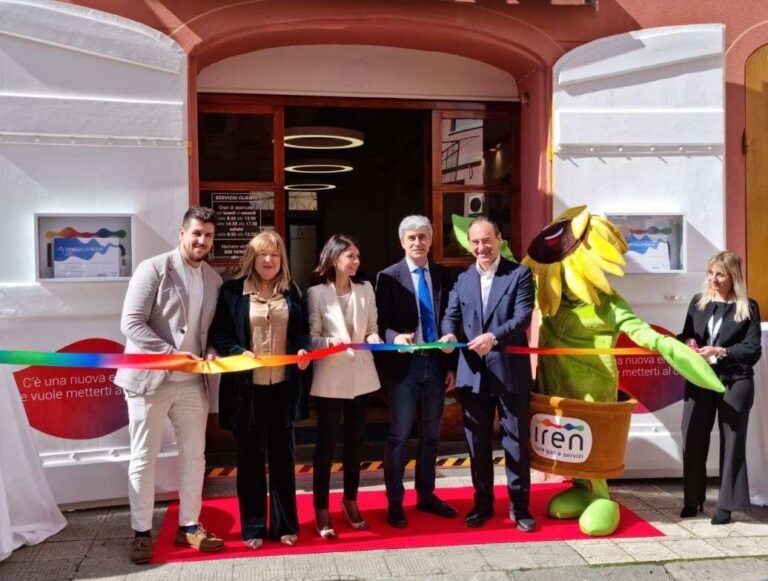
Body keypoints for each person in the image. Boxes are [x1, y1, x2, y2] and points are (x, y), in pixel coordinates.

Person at [114, 207, 223, 564]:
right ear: (181, 233)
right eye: (196, 234)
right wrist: (171, 354)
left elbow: (209, 333)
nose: (202, 241)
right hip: (149, 380)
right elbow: (131, 323)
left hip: (192, 384)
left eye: (208, 235)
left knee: (194, 457)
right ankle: (141, 532)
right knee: (144, 458)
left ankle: (189, 525)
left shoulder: (214, 280)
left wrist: (210, 353)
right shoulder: (154, 268)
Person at [209, 231, 310, 549]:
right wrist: (238, 351)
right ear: (252, 259)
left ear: (282, 259)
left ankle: (285, 525)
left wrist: (305, 350)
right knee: (250, 461)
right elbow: (220, 335)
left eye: (275, 254)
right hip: (246, 392)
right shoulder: (231, 292)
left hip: (282, 388)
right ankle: (253, 528)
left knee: (283, 459)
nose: (269, 260)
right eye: (263, 254)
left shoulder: (292, 291)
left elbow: (303, 332)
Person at [440, 216, 536, 532]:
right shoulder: (463, 278)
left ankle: (520, 508)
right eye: (475, 242)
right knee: (476, 444)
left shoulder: (519, 274)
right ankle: (482, 505)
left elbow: (523, 317)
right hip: (472, 374)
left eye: (487, 240)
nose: (481, 247)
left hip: (510, 372)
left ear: (498, 238)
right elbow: (451, 317)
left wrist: (493, 337)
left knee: (515, 442)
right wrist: (450, 337)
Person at [375, 215, 457, 528]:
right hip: (404, 368)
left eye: (422, 237)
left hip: (436, 365)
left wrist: (451, 364)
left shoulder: (443, 276)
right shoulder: (389, 277)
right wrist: (395, 337)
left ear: (431, 239)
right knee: (398, 436)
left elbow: (452, 318)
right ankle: (395, 501)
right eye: (411, 238)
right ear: (402, 242)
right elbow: (379, 323)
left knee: (431, 435)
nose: (417, 243)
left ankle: (426, 495)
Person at [307, 234, 383, 538]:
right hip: (329, 377)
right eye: (350, 256)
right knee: (325, 445)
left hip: (362, 376)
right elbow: (310, 336)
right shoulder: (316, 294)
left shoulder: (366, 290)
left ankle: (350, 500)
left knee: (356, 442)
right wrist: (328, 342)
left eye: (358, 256)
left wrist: (375, 338)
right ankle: (320, 507)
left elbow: (373, 327)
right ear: (334, 258)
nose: (356, 262)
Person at [678, 250, 762, 525]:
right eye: (711, 273)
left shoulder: (747, 307)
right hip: (700, 378)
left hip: (734, 382)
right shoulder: (698, 302)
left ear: (733, 276)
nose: (714, 279)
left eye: (720, 274)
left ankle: (726, 506)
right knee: (692, 436)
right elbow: (686, 333)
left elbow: (752, 349)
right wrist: (689, 342)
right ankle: (693, 500)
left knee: (732, 442)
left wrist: (721, 351)